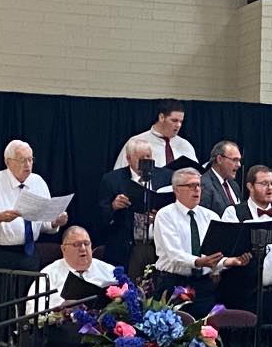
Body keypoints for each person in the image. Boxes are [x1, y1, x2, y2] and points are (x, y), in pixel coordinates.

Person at [153, 168, 248, 318]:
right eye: (191, 186)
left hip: (203, 284)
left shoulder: (210, 216)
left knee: (204, 331)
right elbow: (174, 254)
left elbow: (216, 253)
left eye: (198, 185)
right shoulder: (165, 215)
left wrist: (231, 261)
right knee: (173, 333)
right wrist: (199, 261)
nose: (197, 190)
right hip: (174, 282)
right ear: (177, 190)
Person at [215, 165, 272, 323]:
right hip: (245, 295)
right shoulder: (234, 213)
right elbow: (225, 251)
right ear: (249, 186)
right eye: (264, 184)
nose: (270, 188)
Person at [0, 140, 68, 278]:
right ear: (8, 162)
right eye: (22, 160)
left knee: (29, 296)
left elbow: (42, 223)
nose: (28, 165)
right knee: (1, 298)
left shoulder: (38, 182)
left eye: (30, 159)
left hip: (29, 253)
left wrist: (54, 222)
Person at [97, 138, 173, 272]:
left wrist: (160, 216)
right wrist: (114, 206)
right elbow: (100, 217)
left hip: (158, 245)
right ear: (128, 158)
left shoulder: (166, 177)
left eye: (148, 157)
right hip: (126, 246)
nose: (146, 162)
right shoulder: (112, 180)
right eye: (141, 158)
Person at [26, 226, 115, 314]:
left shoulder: (109, 270)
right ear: (64, 249)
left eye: (86, 243)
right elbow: (33, 310)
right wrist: (60, 311)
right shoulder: (48, 275)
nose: (83, 248)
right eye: (76, 244)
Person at [112, 99, 198, 169]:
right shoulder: (136, 142)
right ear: (161, 117)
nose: (178, 125)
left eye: (181, 121)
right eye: (174, 120)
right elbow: (118, 174)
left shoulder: (186, 146)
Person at [200, 140, 242, 216]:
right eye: (234, 160)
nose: (239, 165)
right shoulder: (204, 185)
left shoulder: (234, 185)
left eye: (239, 160)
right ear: (219, 159)